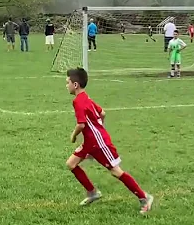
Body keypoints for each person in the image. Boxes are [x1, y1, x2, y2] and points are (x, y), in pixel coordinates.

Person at [64, 68, 154, 215]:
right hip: (90, 142)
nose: (66, 86)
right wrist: (99, 129)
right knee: (71, 164)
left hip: (99, 144)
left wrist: (73, 136)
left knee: (116, 171)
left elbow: (81, 124)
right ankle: (92, 193)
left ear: (75, 85)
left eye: (67, 82)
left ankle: (144, 198)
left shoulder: (78, 102)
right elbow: (102, 113)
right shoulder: (86, 98)